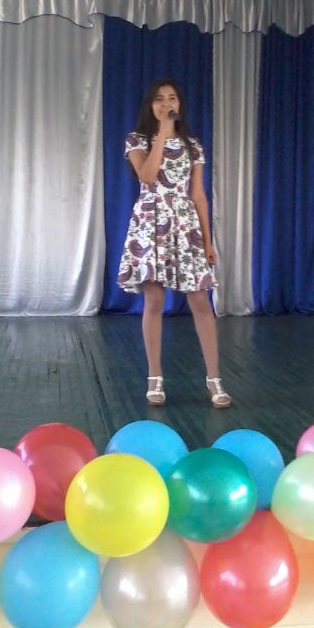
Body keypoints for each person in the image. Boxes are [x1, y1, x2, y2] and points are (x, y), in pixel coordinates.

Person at [117, 79, 231, 409]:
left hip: (185, 224)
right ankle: (155, 378)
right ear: (150, 106)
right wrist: (163, 134)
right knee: (154, 301)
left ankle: (214, 379)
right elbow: (147, 176)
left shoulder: (193, 146)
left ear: (179, 104)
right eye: (159, 99)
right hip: (150, 223)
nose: (166, 103)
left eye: (172, 98)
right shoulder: (137, 140)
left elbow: (198, 195)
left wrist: (207, 241)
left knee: (200, 301)